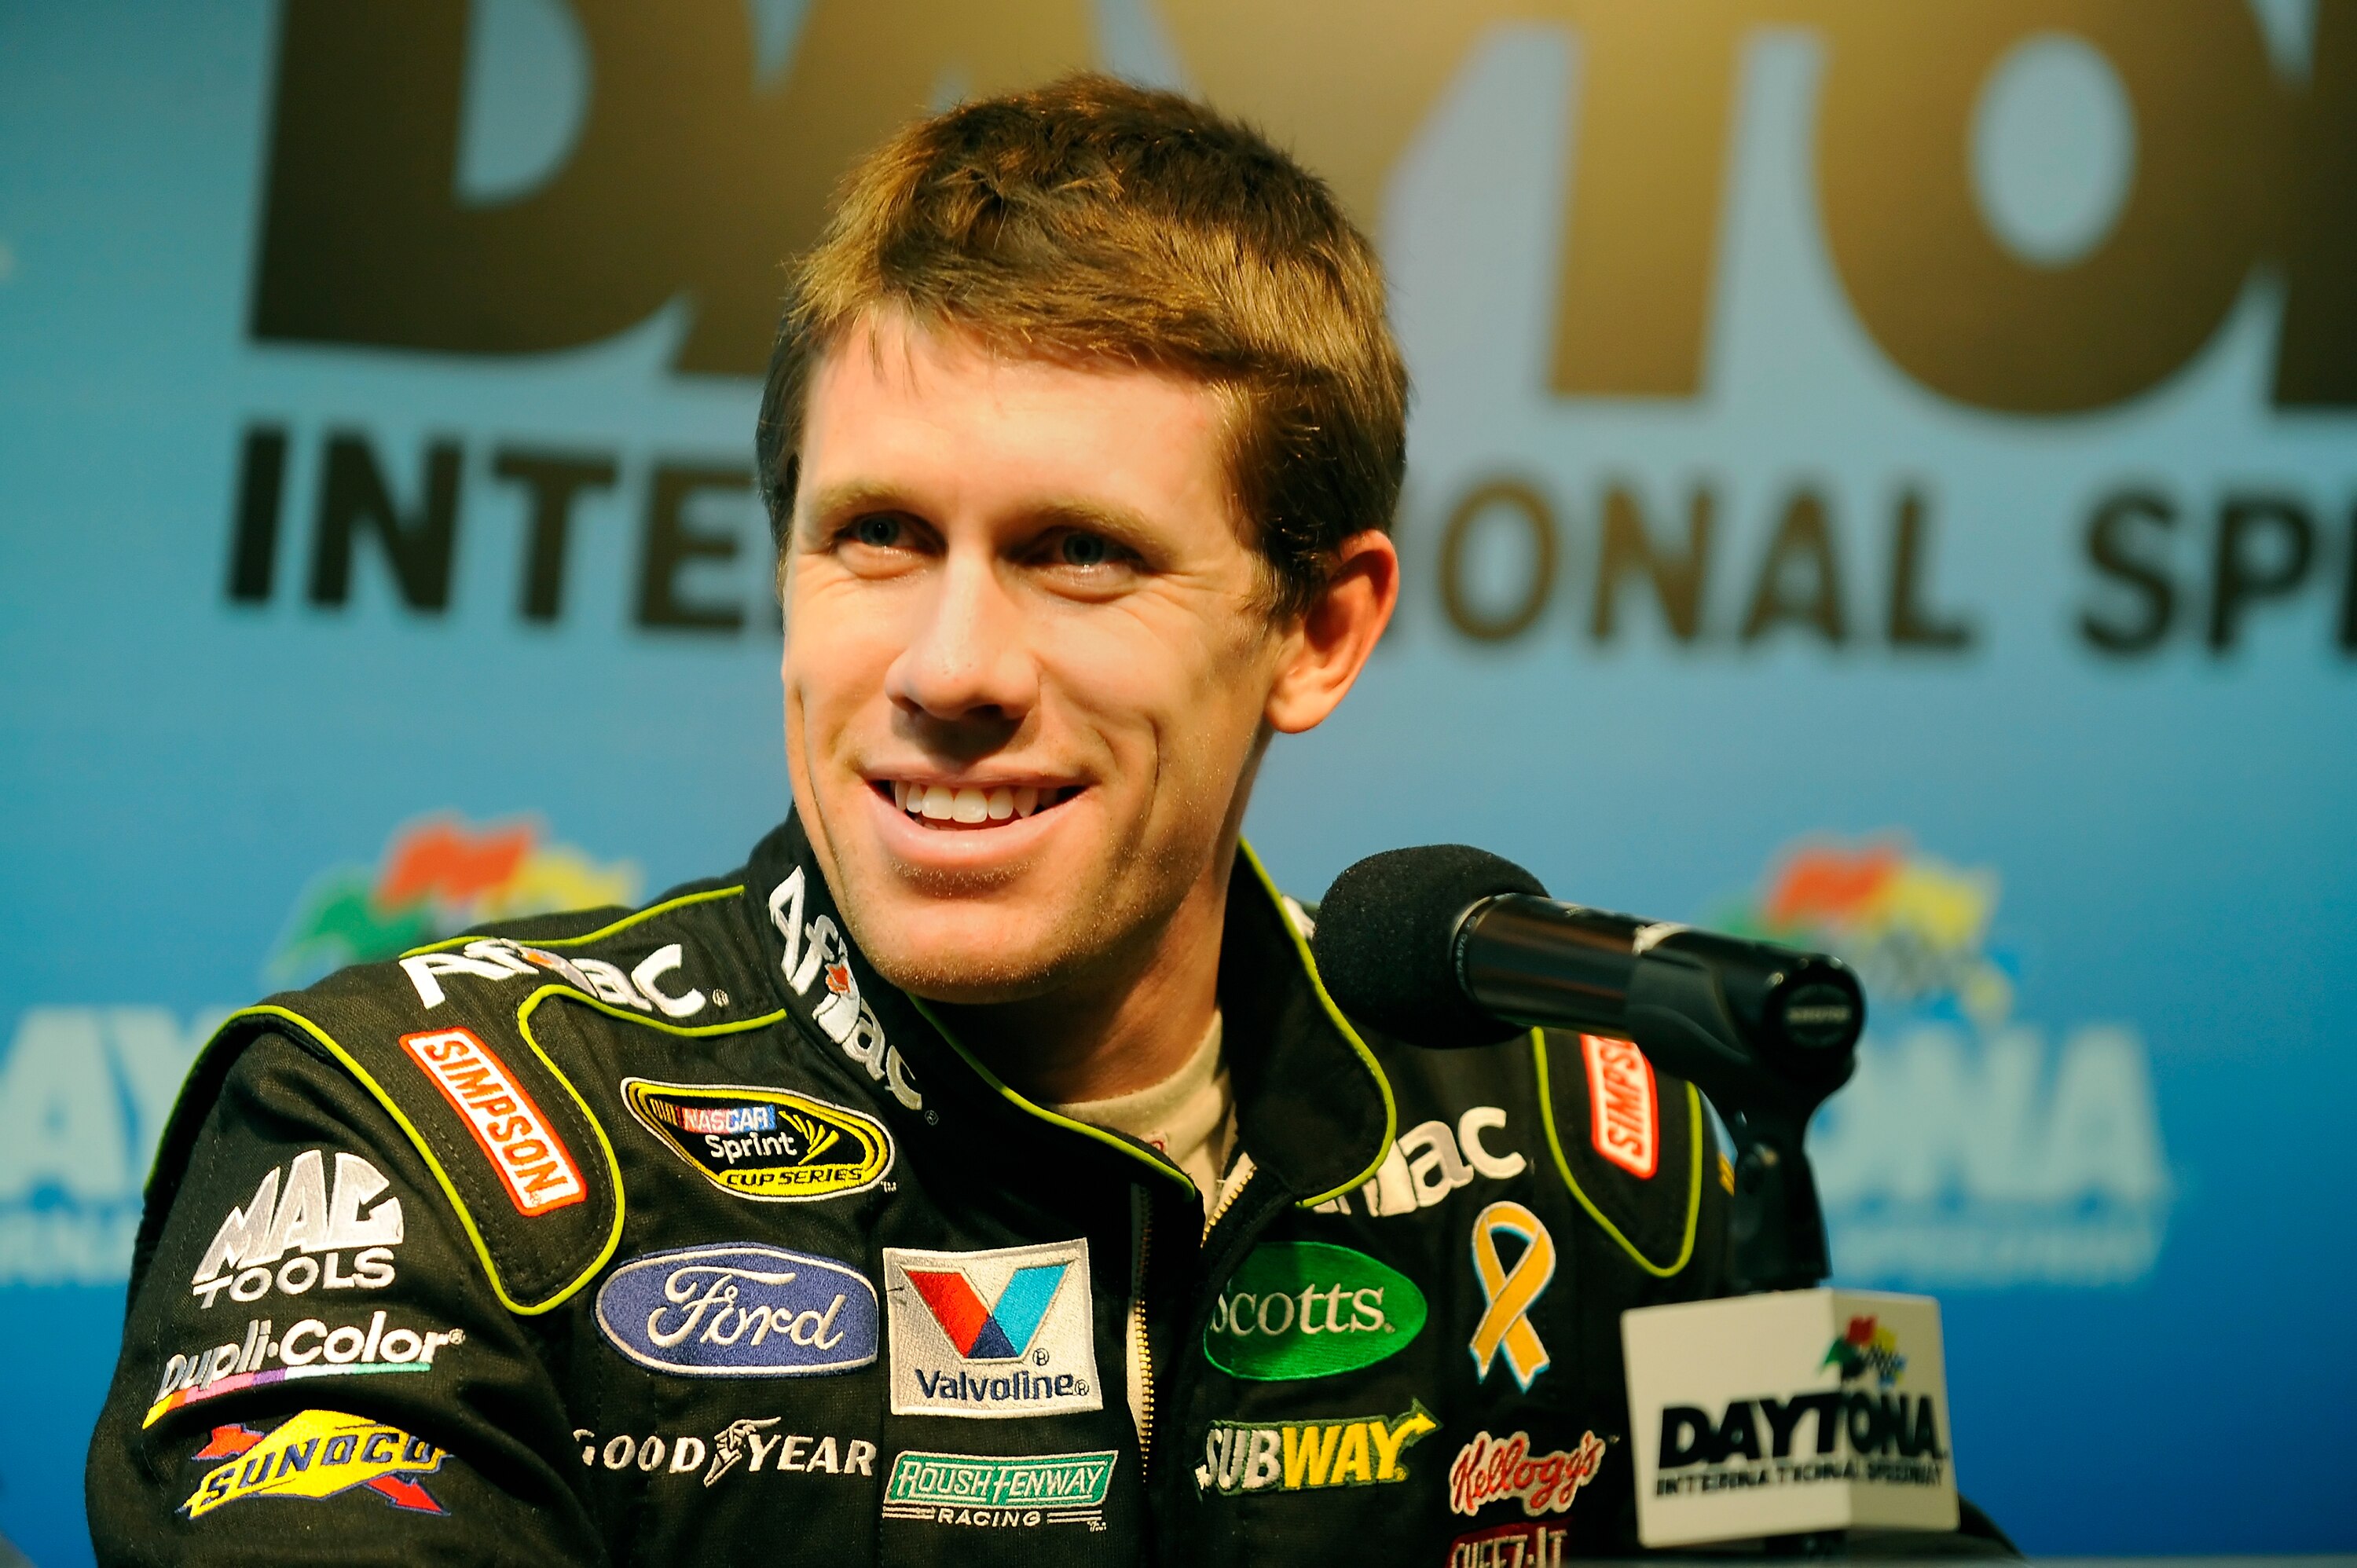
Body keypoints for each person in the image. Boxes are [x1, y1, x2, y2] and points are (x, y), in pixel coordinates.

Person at [87, 75, 1728, 1565]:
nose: (949, 667)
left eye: (1078, 550)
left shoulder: (1595, 1145)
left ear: (1319, 629)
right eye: (875, 534)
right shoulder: (411, 1134)